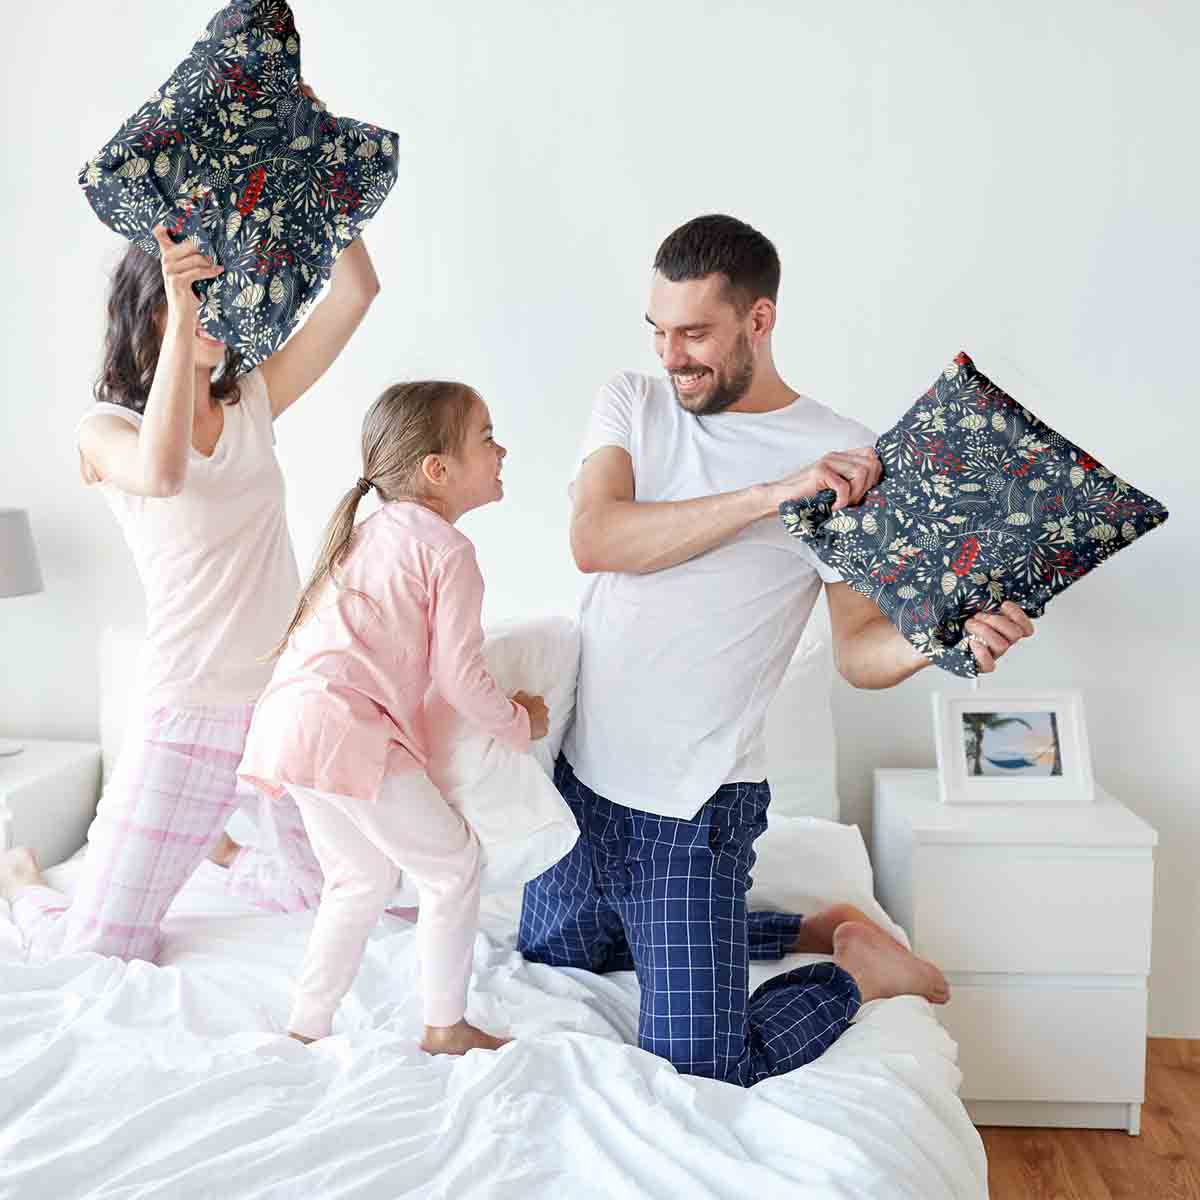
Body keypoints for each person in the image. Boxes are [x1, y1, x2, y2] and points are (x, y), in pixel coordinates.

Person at [518, 213, 1035, 1086]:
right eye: (659, 330)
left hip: (693, 810)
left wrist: (938, 646)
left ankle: (858, 967)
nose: (671, 355)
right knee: (552, 946)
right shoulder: (634, 402)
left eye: (695, 334)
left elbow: (859, 652)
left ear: (759, 322)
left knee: (705, 1063)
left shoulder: (845, 458)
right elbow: (597, 537)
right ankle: (805, 922)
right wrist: (773, 498)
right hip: (586, 778)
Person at [0, 136, 380, 956]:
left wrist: (308, 153)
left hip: (284, 702)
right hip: (189, 712)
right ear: (154, 310)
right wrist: (182, 315)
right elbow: (164, 474)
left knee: (324, 893)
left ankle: (228, 848)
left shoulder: (252, 400)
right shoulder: (105, 431)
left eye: (226, 296)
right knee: (100, 949)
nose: (222, 313)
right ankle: (28, 889)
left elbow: (358, 291)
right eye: (202, 297)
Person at [238, 381, 549, 1056]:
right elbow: (460, 678)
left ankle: (305, 1025)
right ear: (438, 470)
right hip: (346, 730)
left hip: (289, 722)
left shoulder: (370, 533)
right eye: (488, 437)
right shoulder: (446, 549)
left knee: (360, 878)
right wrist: (520, 722)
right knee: (453, 866)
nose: (503, 450)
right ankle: (444, 1025)